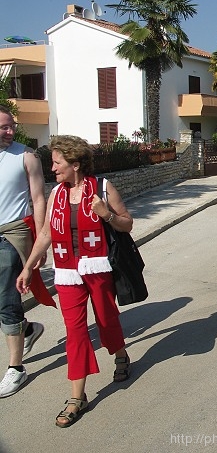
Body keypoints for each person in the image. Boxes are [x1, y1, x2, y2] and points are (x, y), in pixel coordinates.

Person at [16, 135, 132, 427]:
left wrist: (107, 216)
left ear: (75, 164)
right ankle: (77, 396)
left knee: (106, 320)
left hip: (98, 267)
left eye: (57, 162)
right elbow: (46, 234)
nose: (52, 168)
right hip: (67, 273)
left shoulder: (102, 189)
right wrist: (28, 268)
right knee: (75, 332)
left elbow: (127, 223)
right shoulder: (57, 194)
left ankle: (120, 353)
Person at [0, 105, 49, 399]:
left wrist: (42, 240)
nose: (10, 131)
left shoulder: (26, 156)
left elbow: (39, 198)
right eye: (3, 127)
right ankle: (28, 330)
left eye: (11, 125)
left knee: (7, 297)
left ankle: (16, 368)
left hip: (12, 234)